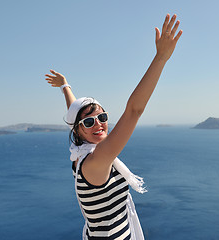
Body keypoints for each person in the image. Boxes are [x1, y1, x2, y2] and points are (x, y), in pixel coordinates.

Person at [45, 14, 182, 240]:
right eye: (89, 122)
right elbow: (133, 111)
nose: (98, 124)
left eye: (102, 117)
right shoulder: (95, 162)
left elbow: (74, 113)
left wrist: (65, 86)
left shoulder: (78, 154)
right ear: (78, 131)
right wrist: (161, 58)